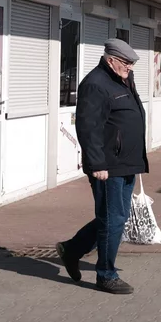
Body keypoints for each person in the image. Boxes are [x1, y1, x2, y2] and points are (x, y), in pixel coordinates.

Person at [56, 38, 148, 294]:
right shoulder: (95, 84)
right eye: (127, 63)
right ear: (111, 60)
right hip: (107, 165)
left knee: (113, 218)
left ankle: (72, 249)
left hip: (126, 162)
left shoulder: (123, 78)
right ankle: (105, 275)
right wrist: (97, 163)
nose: (130, 67)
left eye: (131, 64)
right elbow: (88, 127)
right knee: (113, 219)